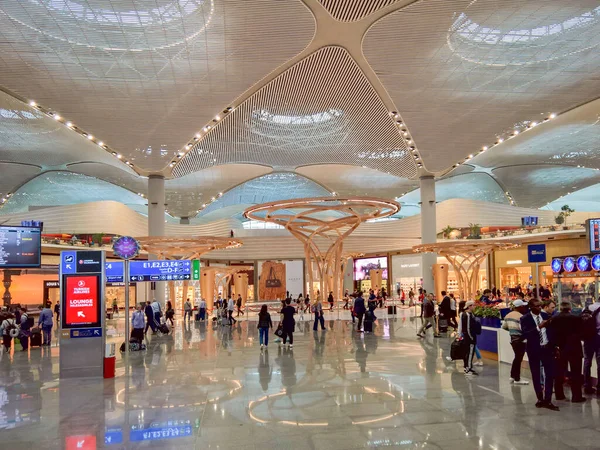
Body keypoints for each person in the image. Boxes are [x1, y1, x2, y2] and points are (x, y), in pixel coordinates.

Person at [520, 298, 559, 411]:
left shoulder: (545, 316)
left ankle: (548, 399)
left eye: (540, 306)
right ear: (530, 307)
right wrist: (539, 327)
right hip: (534, 349)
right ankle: (540, 398)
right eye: (536, 306)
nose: (539, 308)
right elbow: (525, 334)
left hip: (547, 348)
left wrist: (555, 346)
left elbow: (552, 332)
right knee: (536, 374)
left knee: (549, 374)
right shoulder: (525, 319)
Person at [550, 300, 586, 402]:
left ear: (560, 308)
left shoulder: (554, 319)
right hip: (575, 348)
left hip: (560, 348)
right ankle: (576, 396)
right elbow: (582, 333)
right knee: (576, 373)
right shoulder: (576, 318)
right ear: (570, 309)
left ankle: (559, 394)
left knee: (559, 372)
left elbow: (552, 334)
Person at [502, 299, 529, 385]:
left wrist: (512, 331)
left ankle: (512, 376)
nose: (524, 308)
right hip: (520, 340)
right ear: (520, 307)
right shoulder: (521, 316)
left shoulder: (508, 315)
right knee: (518, 358)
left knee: (517, 358)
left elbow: (504, 327)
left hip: (513, 339)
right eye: (523, 306)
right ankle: (517, 378)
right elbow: (524, 329)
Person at [582, 298, 600, 395]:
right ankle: (599, 387)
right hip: (598, 338)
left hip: (588, 339)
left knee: (587, 361)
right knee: (599, 362)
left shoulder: (587, 308)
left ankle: (587, 386)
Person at [460, 301, 480, 376]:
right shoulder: (467, 315)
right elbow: (467, 327)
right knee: (470, 352)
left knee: (469, 352)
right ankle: (468, 368)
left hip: (470, 336)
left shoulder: (469, 314)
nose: (474, 307)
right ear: (469, 306)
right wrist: (470, 337)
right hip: (470, 337)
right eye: (473, 305)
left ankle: (468, 367)